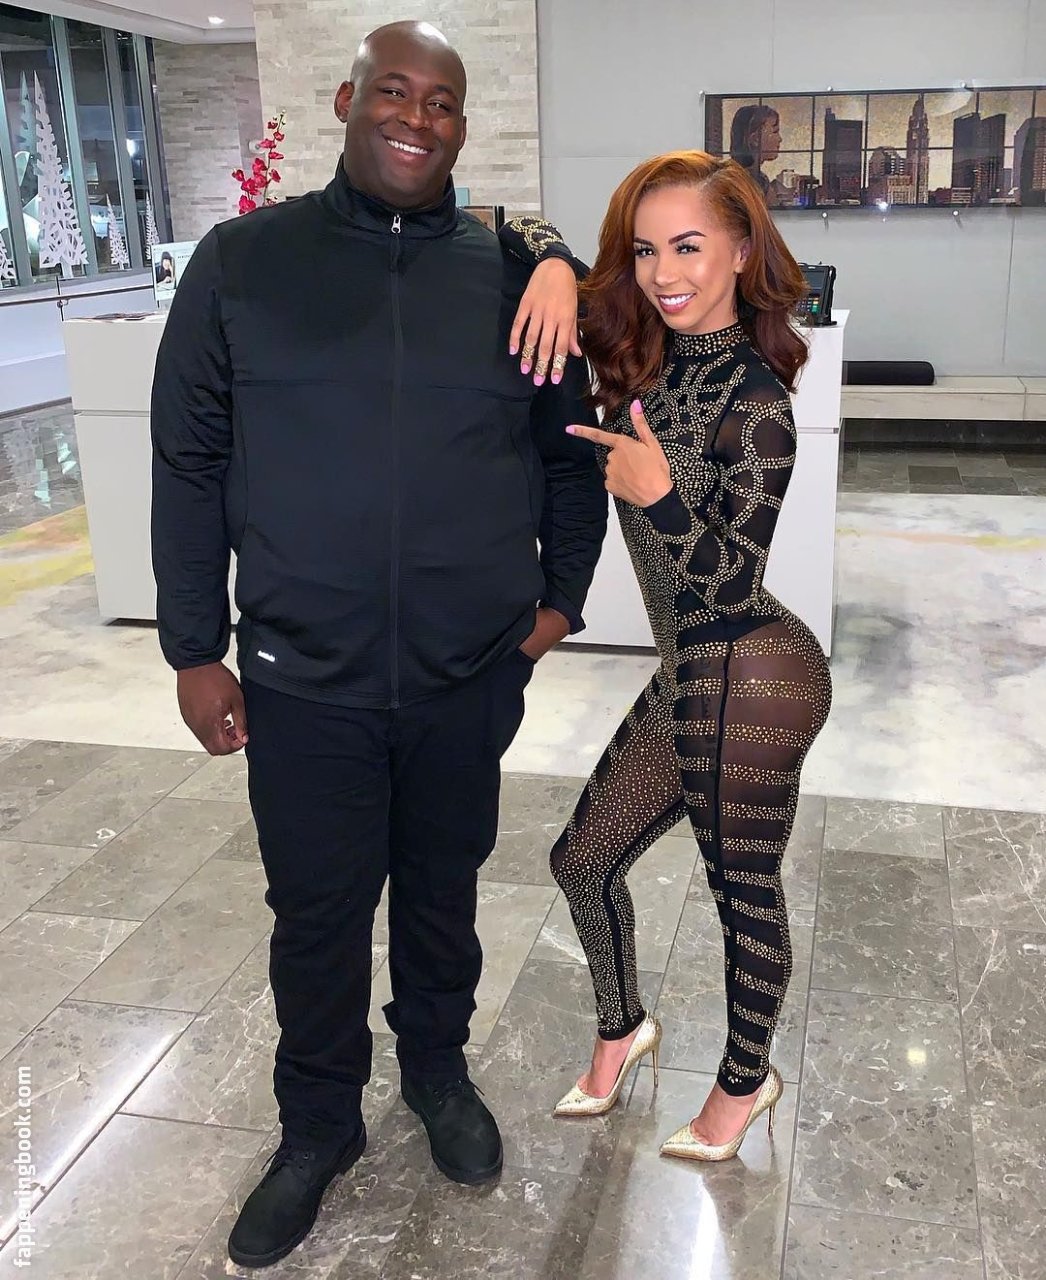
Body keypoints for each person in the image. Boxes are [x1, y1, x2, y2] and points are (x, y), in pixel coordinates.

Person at [150, 20, 606, 1269]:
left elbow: (571, 458)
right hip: (303, 677)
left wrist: (557, 606)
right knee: (315, 911)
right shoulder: (244, 263)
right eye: (393, 92)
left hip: (467, 671)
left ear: (462, 124)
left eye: (441, 100)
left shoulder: (508, 273)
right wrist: (194, 645)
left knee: (443, 892)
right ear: (347, 100)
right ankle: (316, 1125)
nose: (416, 116)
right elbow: (188, 461)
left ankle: (437, 1074)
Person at [545, 151, 832, 1160]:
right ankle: (622, 1027)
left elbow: (730, 582)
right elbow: (517, 234)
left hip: (754, 671)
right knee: (581, 861)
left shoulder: (756, 404)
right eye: (644, 249)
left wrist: (660, 496)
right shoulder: (648, 361)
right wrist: (553, 263)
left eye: (688, 247)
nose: (663, 272)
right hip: (689, 665)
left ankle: (743, 1085)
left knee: (739, 893)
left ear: (741, 252)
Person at [728, 104, 782, 200]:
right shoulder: (739, 181)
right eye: (775, 131)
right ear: (755, 139)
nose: (780, 139)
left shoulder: (760, 178)